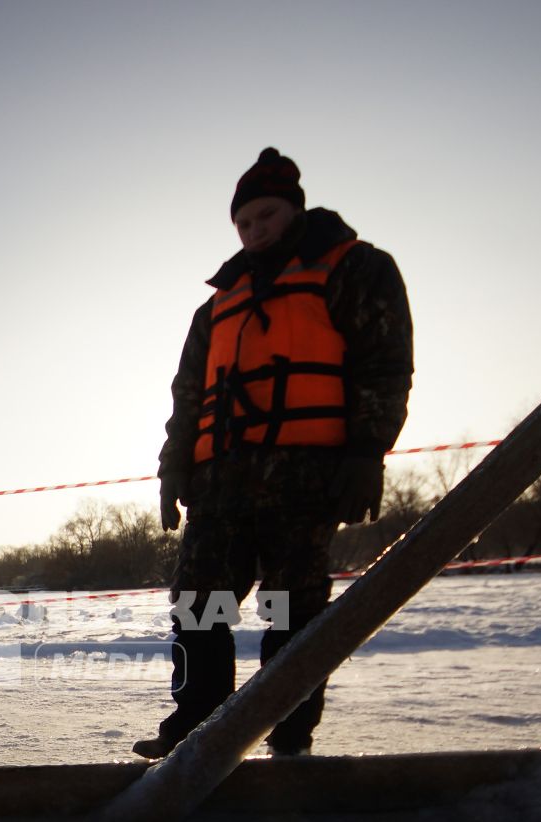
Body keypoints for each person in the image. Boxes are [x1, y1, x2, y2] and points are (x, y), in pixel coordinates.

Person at [135, 146, 412, 759]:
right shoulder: (215, 307)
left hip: (306, 482)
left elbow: (385, 365)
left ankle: (288, 734)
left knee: (290, 611)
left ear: (294, 210)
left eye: (265, 216)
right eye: (243, 223)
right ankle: (196, 725)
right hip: (219, 488)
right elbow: (187, 397)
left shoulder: (356, 269)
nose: (254, 230)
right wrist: (172, 469)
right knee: (199, 606)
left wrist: (368, 452)